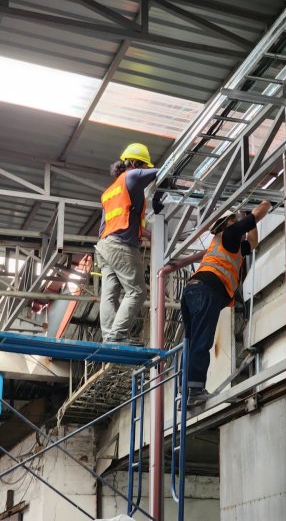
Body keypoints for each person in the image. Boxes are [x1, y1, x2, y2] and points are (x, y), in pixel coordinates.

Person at [180, 200, 271, 407]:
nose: (237, 222)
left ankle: (185, 391)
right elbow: (254, 218)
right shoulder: (228, 235)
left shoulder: (233, 246)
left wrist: (250, 216)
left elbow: (253, 242)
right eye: (233, 219)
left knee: (192, 342)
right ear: (225, 224)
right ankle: (194, 390)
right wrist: (265, 202)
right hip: (205, 292)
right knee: (201, 341)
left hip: (194, 292)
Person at [95, 143, 164, 344]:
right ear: (133, 163)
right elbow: (163, 171)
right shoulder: (132, 176)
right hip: (120, 245)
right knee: (137, 291)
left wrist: (144, 232)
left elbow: (110, 222)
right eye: (142, 165)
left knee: (110, 292)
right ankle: (117, 335)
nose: (143, 169)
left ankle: (109, 335)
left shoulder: (110, 191)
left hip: (105, 244)